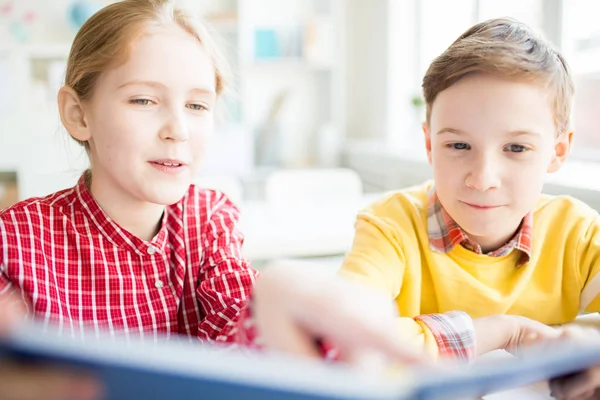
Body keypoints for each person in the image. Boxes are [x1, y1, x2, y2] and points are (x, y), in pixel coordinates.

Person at [337, 16, 600, 363]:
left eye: (516, 148)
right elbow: (344, 335)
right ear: (430, 145)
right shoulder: (389, 227)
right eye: (459, 146)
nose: (483, 179)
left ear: (558, 152)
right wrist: (505, 332)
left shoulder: (578, 234)